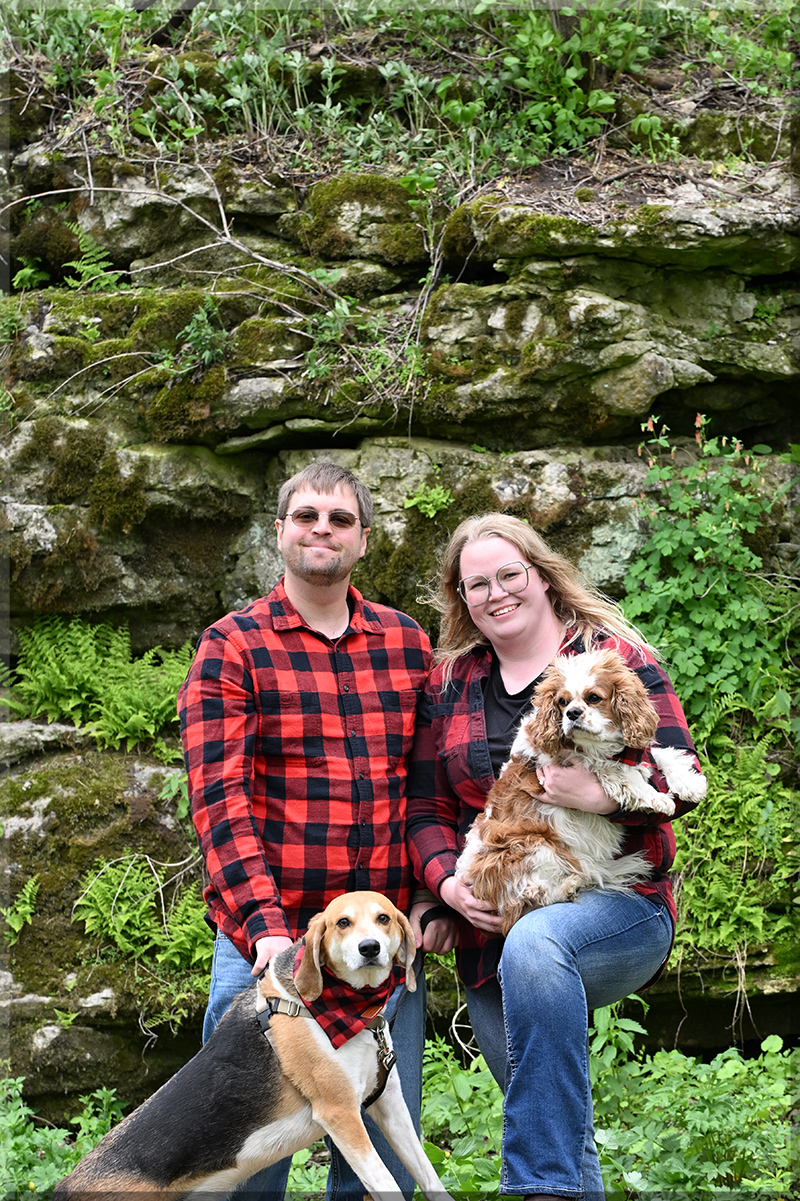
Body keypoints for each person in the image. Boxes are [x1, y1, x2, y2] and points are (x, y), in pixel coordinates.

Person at [406, 513, 703, 1201]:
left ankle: (534, 1191)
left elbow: (683, 772)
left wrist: (601, 797)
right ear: (462, 597)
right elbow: (424, 808)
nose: (497, 592)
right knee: (549, 1107)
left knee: (538, 945)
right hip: (493, 922)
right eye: (478, 583)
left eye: (510, 574)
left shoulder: (613, 657)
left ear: (540, 576)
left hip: (620, 903)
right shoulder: (450, 684)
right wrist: (445, 887)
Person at [178, 461, 451, 1201]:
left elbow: (426, 785)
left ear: (363, 538)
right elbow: (220, 798)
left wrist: (428, 898)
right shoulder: (233, 644)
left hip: (378, 944)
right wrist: (267, 928)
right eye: (306, 516)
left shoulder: (405, 641)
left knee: (379, 1153)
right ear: (279, 531)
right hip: (270, 942)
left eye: (339, 519)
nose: (321, 530)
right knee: (245, 1155)